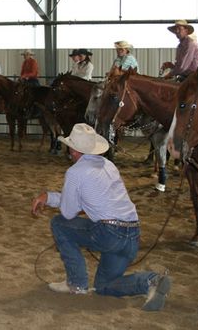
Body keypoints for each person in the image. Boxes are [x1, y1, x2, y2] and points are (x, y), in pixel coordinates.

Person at [30, 123, 172, 311]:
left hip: (109, 234)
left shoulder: (75, 172)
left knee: (59, 223)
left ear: (73, 151)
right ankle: (150, 281)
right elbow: (87, 199)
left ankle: (76, 283)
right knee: (104, 286)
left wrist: (50, 198)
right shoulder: (109, 165)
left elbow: (68, 212)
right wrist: (49, 197)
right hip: (132, 233)